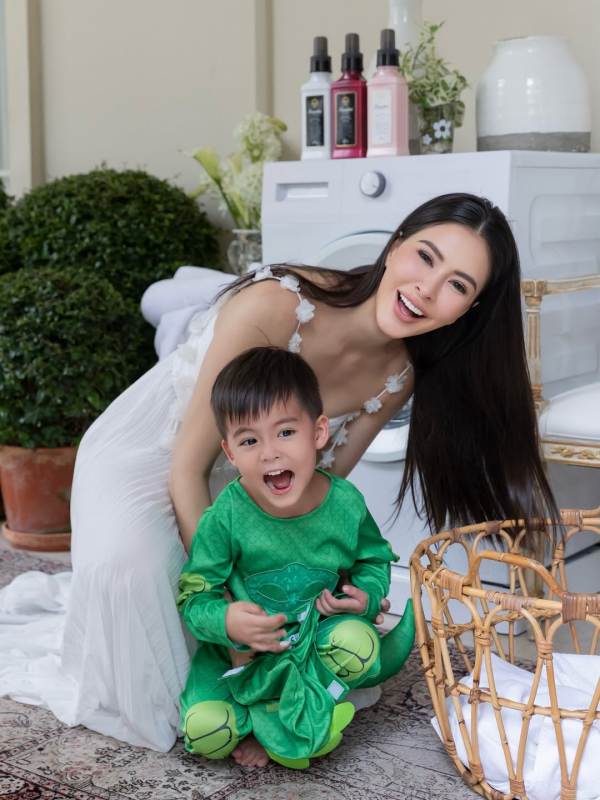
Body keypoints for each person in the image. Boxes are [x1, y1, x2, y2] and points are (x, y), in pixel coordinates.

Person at [0, 193, 558, 753]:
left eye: (457, 284)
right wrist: (227, 604)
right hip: (156, 454)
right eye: (425, 257)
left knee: (284, 610)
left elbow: (321, 493)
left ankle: (265, 696)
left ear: (470, 309)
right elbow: (188, 468)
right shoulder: (276, 304)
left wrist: (341, 588)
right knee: (140, 578)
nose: (427, 289)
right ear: (393, 247)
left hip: (253, 484)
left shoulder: (400, 372)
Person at [179, 345, 413, 768]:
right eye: (249, 440)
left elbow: (373, 560)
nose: (269, 452)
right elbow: (194, 595)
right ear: (230, 453)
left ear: (318, 432)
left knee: (355, 645)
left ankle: (292, 720)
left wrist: (364, 596)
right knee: (205, 732)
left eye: (285, 432)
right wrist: (227, 622)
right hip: (244, 655)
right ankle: (260, 718)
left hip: (313, 643)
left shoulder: (345, 504)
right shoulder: (226, 516)